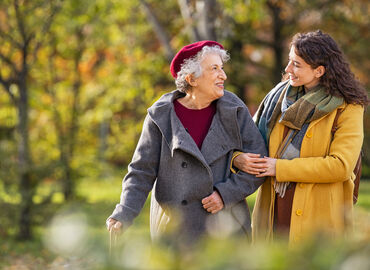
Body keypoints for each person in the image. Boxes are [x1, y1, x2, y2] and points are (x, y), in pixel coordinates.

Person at [106, 40, 267, 246]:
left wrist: (225, 194)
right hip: (176, 231)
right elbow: (141, 172)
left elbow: (259, 163)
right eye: (214, 69)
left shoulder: (234, 109)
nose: (223, 75)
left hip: (226, 228)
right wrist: (123, 213)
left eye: (222, 68)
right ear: (192, 78)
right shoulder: (161, 115)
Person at [232, 30, 368, 244]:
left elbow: (341, 166)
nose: (287, 70)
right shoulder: (277, 100)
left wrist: (280, 168)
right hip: (272, 211)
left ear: (319, 71)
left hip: (319, 218)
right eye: (289, 61)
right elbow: (245, 141)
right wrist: (237, 158)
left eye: (296, 64)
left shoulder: (348, 107)